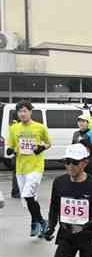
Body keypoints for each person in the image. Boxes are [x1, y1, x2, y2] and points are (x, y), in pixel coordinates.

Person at [10, 101, 51, 237]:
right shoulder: (14, 128)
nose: (22, 114)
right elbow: (12, 145)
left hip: (35, 167)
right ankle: (37, 222)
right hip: (21, 168)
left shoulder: (40, 127)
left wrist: (41, 147)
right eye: (20, 111)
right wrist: (11, 150)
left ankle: (40, 222)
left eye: (25, 111)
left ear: (30, 112)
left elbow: (49, 143)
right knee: (28, 199)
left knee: (27, 195)